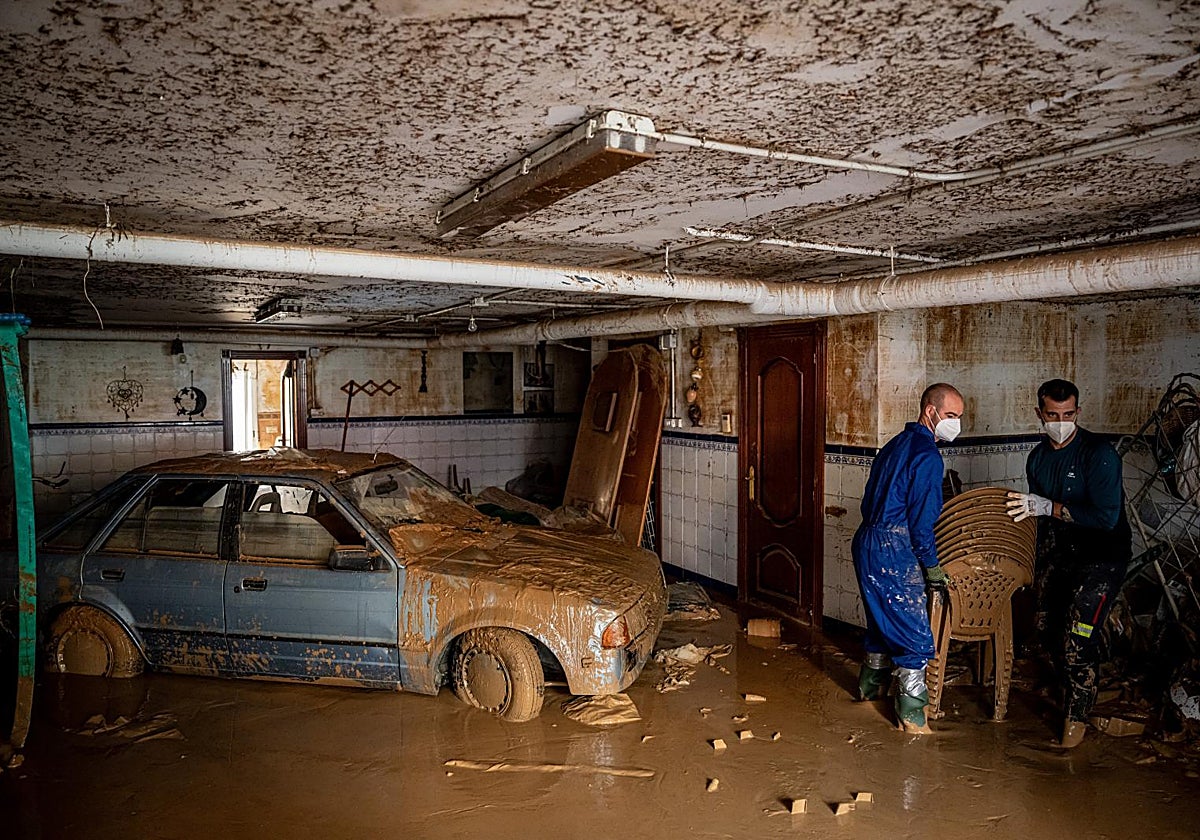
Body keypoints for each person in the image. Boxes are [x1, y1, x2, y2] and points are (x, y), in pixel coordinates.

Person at [1006, 378, 1131, 748]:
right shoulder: (1038, 459)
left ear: (1078, 411)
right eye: (1052, 414)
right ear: (1039, 414)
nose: (1061, 420)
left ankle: (1076, 720)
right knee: (1045, 628)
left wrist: (1049, 507)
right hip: (1061, 551)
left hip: (1103, 557)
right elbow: (1041, 521)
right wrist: (1031, 559)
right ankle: (1070, 687)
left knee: (1078, 637)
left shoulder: (1100, 454)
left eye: (1068, 414)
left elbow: (1106, 518)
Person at [854, 382, 964, 734]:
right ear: (930, 411)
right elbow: (922, 523)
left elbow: (868, 500)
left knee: (879, 625)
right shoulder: (927, 455)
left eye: (959, 418)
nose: (955, 424)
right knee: (914, 636)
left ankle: (867, 695)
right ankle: (914, 723)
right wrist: (931, 567)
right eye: (950, 415)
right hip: (893, 548)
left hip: (867, 540)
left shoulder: (893, 446)